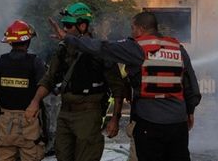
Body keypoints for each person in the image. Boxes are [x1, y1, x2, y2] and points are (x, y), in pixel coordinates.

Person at [50, 11, 201, 161]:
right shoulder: (178, 48)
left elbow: (102, 47)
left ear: (141, 29)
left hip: (149, 122)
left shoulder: (137, 47)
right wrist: (190, 111)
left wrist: (68, 39)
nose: (132, 32)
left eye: (133, 28)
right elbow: (191, 85)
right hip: (178, 123)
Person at [25, 2, 126, 161]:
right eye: (64, 25)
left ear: (83, 26)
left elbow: (118, 88)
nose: (64, 29)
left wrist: (114, 119)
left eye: (69, 25)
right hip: (65, 114)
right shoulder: (63, 49)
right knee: (62, 155)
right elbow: (49, 78)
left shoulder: (101, 51)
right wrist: (35, 101)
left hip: (89, 115)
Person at [0, 20, 46, 161]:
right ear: (28, 41)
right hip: (29, 120)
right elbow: (45, 87)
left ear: (10, 42)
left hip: (5, 122)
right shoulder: (36, 63)